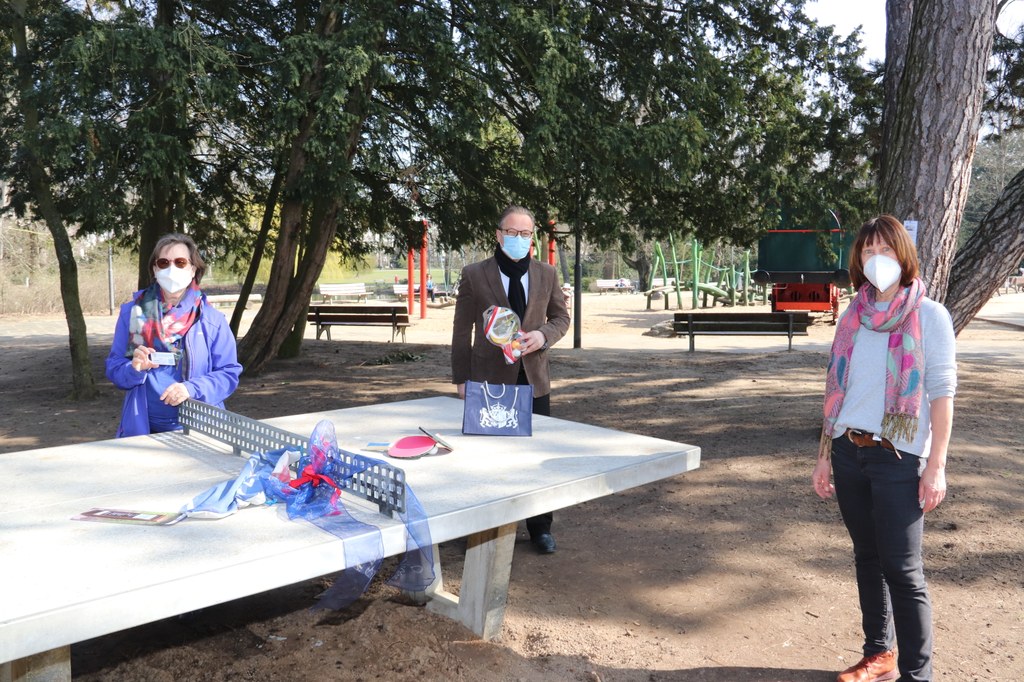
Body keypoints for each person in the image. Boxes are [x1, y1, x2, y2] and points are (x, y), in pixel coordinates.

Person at [812, 215, 956, 682]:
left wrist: (936, 466)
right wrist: (823, 456)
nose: (878, 260)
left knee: (903, 569)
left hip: (899, 457)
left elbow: (941, 392)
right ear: (858, 259)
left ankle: (918, 675)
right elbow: (838, 388)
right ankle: (880, 654)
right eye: (869, 251)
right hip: (847, 450)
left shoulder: (929, 315)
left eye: (887, 251)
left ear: (905, 256)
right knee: (867, 558)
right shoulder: (852, 315)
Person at [451, 205, 571, 554]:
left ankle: (540, 528)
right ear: (498, 233)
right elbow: (461, 332)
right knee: (488, 458)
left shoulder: (547, 273)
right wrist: (461, 379)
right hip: (488, 380)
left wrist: (543, 336)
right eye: (512, 232)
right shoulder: (474, 274)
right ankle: (483, 526)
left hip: (533, 379)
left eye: (525, 234)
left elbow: (561, 318)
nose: (519, 239)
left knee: (537, 457)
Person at [106, 234, 243, 437]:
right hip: (143, 429)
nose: (172, 269)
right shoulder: (133, 313)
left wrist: (192, 389)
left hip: (202, 429)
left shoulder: (211, 320)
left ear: (193, 269)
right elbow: (115, 368)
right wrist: (133, 369)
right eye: (164, 263)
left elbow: (229, 373)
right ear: (155, 269)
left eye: (180, 262)